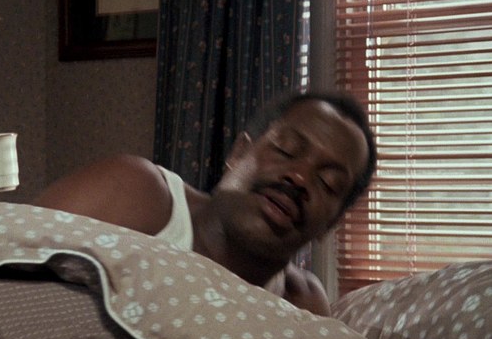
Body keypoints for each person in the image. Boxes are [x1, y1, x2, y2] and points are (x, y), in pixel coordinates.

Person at [32, 92, 377, 316]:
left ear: (331, 225)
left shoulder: (302, 304)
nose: (299, 177)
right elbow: (10, 262)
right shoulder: (135, 193)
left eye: (327, 183)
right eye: (286, 150)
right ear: (238, 153)